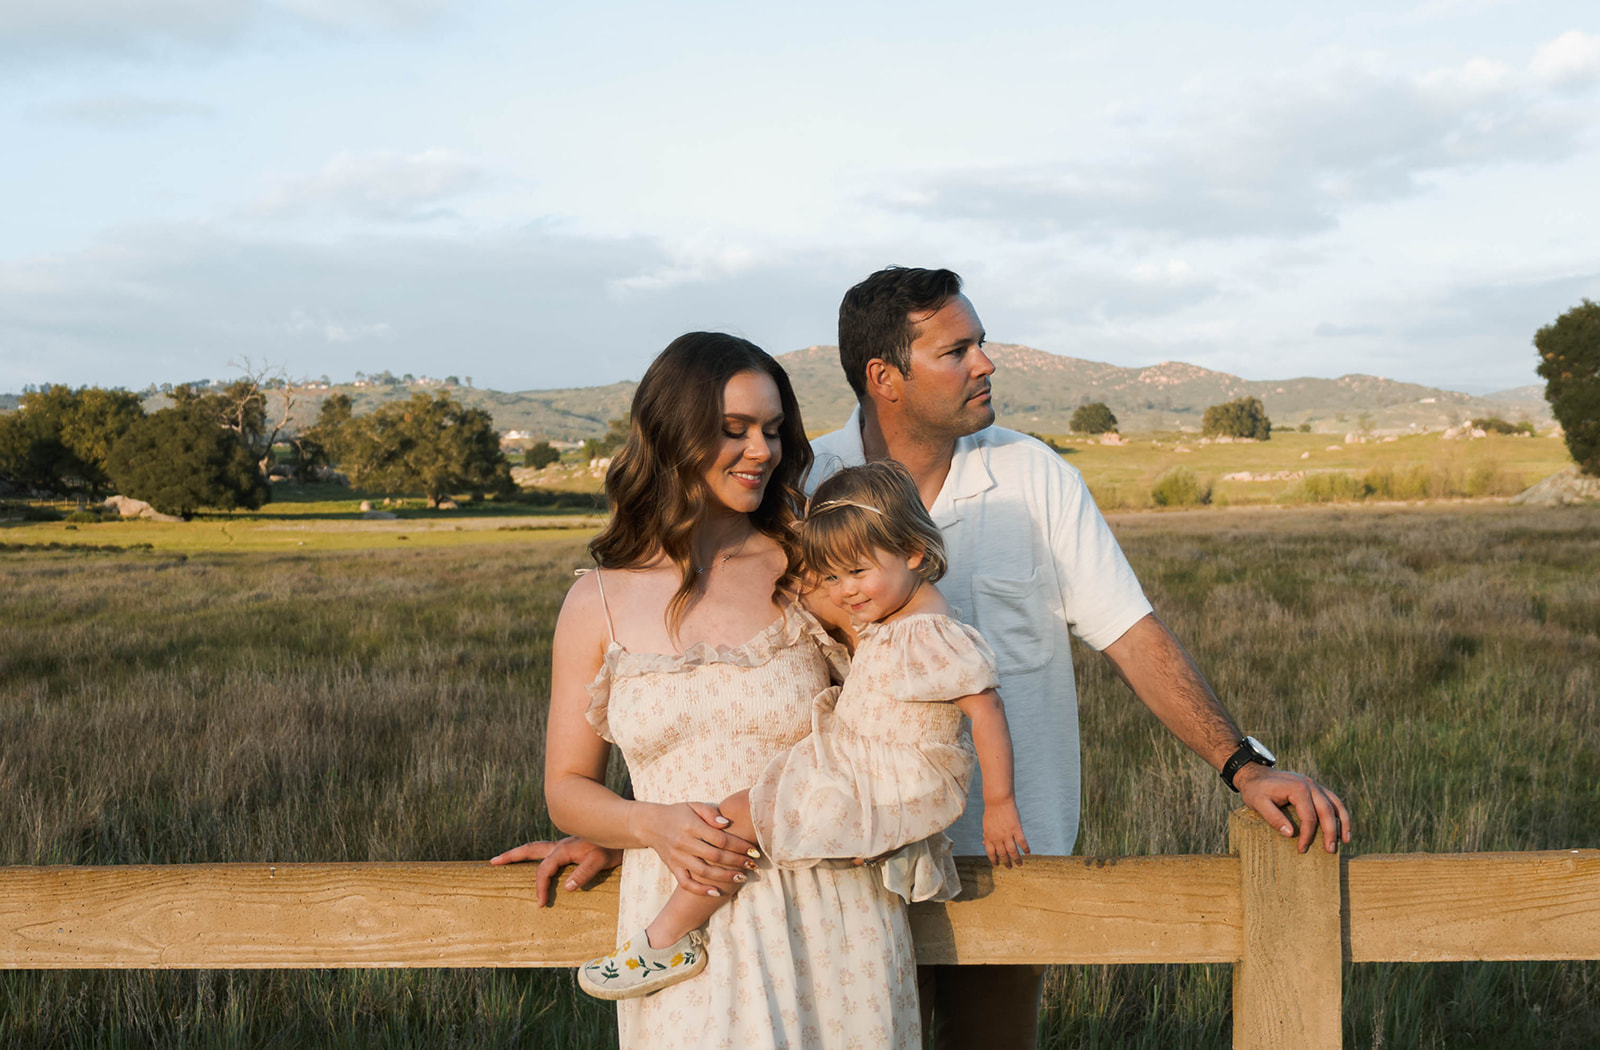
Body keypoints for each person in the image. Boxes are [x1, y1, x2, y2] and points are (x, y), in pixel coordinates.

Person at [808, 265, 1354, 1049]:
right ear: (884, 377)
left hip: (1004, 858)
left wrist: (1245, 764)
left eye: (981, 344)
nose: (986, 364)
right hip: (846, 860)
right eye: (957, 351)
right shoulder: (804, 483)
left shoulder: (1036, 478)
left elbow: (1131, 633)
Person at [493, 332, 921, 1048]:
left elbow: (902, 713)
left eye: (773, 430)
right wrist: (638, 828)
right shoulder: (595, 603)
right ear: (671, 436)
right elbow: (567, 786)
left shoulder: (814, 570)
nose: (763, 450)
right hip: (677, 936)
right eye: (735, 430)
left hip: (830, 920)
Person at [574, 460, 1029, 1001]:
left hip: (877, 773)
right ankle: (668, 936)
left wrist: (1000, 802)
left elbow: (987, 712)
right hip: (869, 771)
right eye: (832, 576)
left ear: (915, 552)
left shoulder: (929, 631)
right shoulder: (887, 619)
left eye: (857, 572)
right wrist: (613, 834)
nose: (845, 592)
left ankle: (663, 940)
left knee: (739, 814)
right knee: (744, 816)